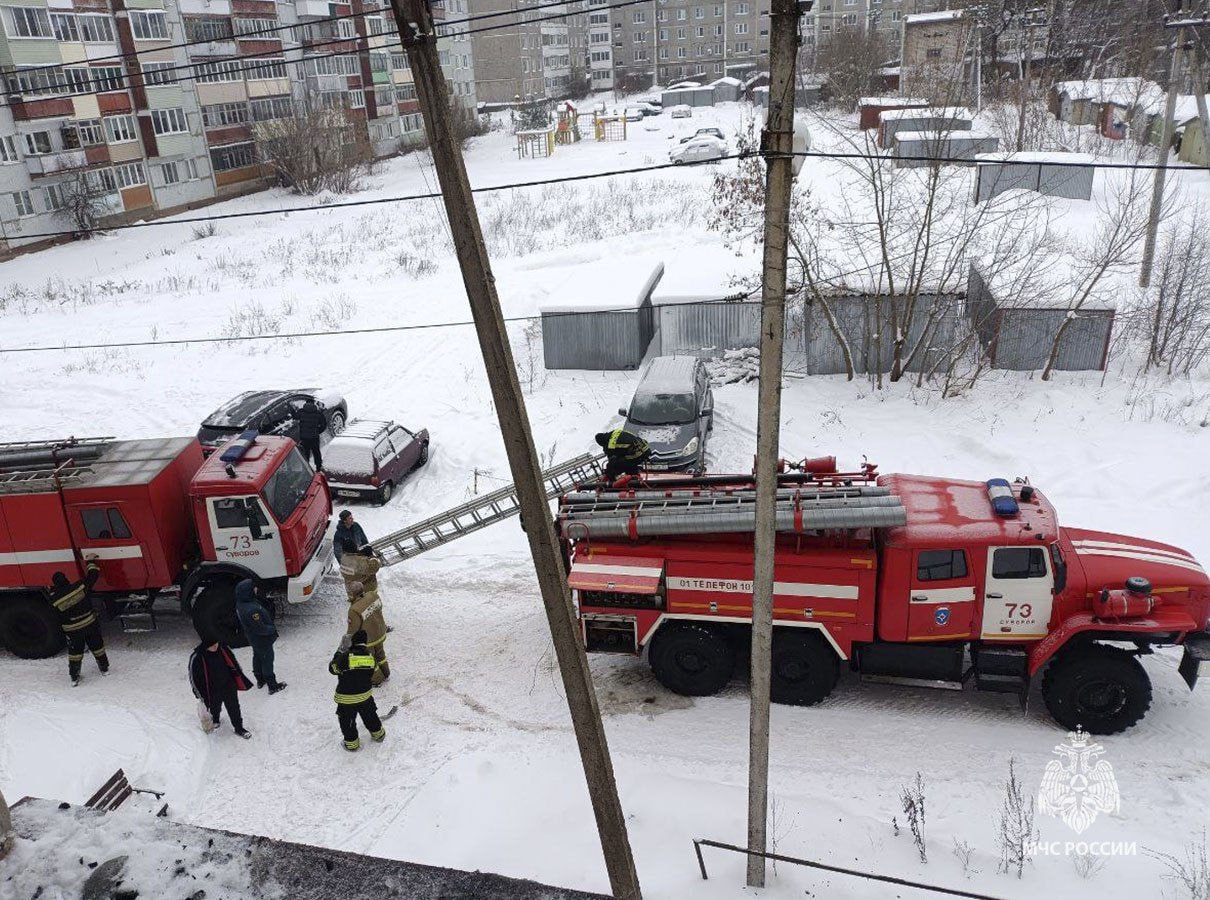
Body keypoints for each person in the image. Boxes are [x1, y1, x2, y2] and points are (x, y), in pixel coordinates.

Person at [48, 562, 108, 686]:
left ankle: (74, 677)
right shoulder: (79, 587)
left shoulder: (54, 600)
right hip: (90, 624)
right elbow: (93, 576)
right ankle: (104, 668)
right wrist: (91, 563)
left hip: (73, 630)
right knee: (97, 646)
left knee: (75, 653)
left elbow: (53, 618)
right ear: (66, 579)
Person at [329, 629, 385, 752]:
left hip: (346, 699)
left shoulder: (345, 657)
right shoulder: (371, 658)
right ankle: (378, 734)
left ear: (352, 642)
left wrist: (339, 652)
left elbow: (332, 669)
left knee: (347, 722)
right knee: (370, 716)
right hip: (365, 696)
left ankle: (352, 744)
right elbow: (374, 671)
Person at [189, 640, 253, 739]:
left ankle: (239, 728)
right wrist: (199, 694)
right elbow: (193, 678)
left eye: (216, 643)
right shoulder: (197, 656)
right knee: (214, 705)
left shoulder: (223, 649)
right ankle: (215, 719)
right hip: (211, 690)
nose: (215, 646)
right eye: (211, 644)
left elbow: (234, 663)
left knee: (234, 707)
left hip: (228, 685)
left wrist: (239, 677)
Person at [234, 579, 286, 694]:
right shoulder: (251, 610)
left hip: (253, 638)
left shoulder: (242, 603)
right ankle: (272, 685)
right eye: (253, 588)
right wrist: (272, 629)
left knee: (257, 656)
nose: (256, 589)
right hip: (262, 639)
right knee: (267, 659)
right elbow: (260, 628)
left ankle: (260, 679)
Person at [345, 579, 389, 686]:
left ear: (352, 594)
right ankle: (386, 672)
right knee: (380, 653)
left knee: (368, 658)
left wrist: (347, 644)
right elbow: (379, 608)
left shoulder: (354, 609)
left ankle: (376, 679)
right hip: (380, 631)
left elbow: (353, 630)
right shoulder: (373, 595)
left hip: (368, 639)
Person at [295, 397, 327, 471]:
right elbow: (324, 425)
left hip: (304, 437)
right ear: (313, 404)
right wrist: (318, 431)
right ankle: (318, 468)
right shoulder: (318, 413)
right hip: (314, 437)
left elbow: (295, 417)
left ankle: (306, 469)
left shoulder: (301, 412)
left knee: (306, 453)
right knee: (316, 452)